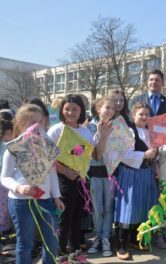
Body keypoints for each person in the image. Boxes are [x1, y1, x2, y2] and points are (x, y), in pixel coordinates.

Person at [1, 104, 65, 264]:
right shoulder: (13, 149)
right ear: (21, 123)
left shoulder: (46, 146)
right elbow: (4, 177)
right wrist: (19, 187)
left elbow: (52, 172)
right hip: (20, 202)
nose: (37, 126)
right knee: (25, 243)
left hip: (45, 200)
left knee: (51, 239)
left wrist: (56, 196)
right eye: (31, 122)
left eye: (40, 121)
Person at [47, 94, 94, 263]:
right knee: (64, 218)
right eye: (67, 109)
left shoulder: (85, 131)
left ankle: (75, 252)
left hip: (80, 180)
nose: (71, 112)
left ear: (81, 110)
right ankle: (60, 254)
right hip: (62, 181)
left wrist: (80, 171)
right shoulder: (55, 130)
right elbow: (47, 158)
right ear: (61, 110)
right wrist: (65, 171)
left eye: (75, 109)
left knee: (77, 217)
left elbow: (86, 155)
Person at [113, 103, 159, 260]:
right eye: (141, 114)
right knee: (129, 207)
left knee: (142, 206)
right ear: (133, 115)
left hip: (146, 174)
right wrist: (144, 155)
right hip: (131, 174)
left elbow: (155, 154)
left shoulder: (150, 132)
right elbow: (123, 155)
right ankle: (121, 245)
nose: (145, 116)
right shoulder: (129, 132)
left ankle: (134, 239)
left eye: (147, 114)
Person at [86, 97, 115, 257]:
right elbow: (94, 154)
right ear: (98, 109)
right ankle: (98, 236)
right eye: (107, 108)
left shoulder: (117, 127)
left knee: (108, 207)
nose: (110, 111)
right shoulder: (89, 127)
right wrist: (100, 133)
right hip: (95, 173)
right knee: (97, 208)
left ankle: (106, 237)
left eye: (112, 108)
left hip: (111, 174)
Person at [0, 118, 13, 245]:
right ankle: (4, 229)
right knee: (3, 207)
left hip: (4, 181)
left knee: (4, 207)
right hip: (4, 181)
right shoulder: (6, 146)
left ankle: (5, 229)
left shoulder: (6, 146)